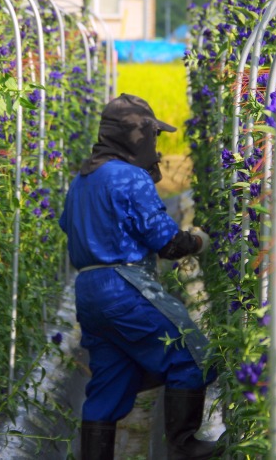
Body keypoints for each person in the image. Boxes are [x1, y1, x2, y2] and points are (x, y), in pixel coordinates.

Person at [59, 93, 218, 460]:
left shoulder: (82, 179)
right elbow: (166, 243)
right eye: (153, 136)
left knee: (109, 383)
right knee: (193, 356)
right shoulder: (129, 177)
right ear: (138, 137)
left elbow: (69, 225)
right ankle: (183, 446)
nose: (156, 145)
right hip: (125, 287)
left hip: (89, 290)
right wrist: (198, 241)